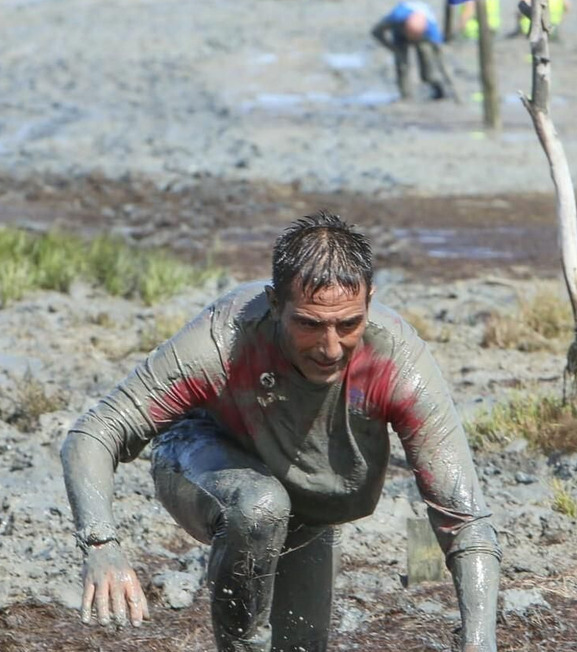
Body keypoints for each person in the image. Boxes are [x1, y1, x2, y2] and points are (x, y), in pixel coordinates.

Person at [61, 212, 500, 652]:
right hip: (203, 459)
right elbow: (94, 434)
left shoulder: (396, 362)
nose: (330, 349)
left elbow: (467, 523)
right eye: (308, 324)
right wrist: (102, 545)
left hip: (311, 502)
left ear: (369, 301)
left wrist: (479, 645)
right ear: (275, 304)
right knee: (260, 506)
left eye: (348, 324)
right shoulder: (224, 341)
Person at [372, 1, 456, 101]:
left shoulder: (432, 30)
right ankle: (405, 95)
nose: (411, 41)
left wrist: (451, 83)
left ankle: (438, 89)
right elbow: (376, 32)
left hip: (423, 37)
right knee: (402, 64)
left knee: (427, 64)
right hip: (400, 33)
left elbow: (441, 56)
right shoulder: (395, 18)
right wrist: (391, 47)